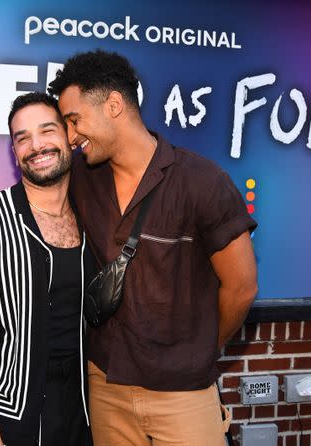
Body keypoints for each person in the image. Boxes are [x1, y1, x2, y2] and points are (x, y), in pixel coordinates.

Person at [48, 50, 258, 445]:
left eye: (75, 120)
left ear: (113, 105)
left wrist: (199, 351)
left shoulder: (203, 182)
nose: (71, 137)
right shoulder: (80, 179)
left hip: (184, 394)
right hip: (106, 385)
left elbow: (242, 286)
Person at [0, 92, 94, 446]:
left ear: (70, 138)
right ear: (14, 152)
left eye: (47, 131)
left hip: (84, 414)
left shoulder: (92, 218)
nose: (36, 146)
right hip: (12, 422)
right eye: (22, 138)